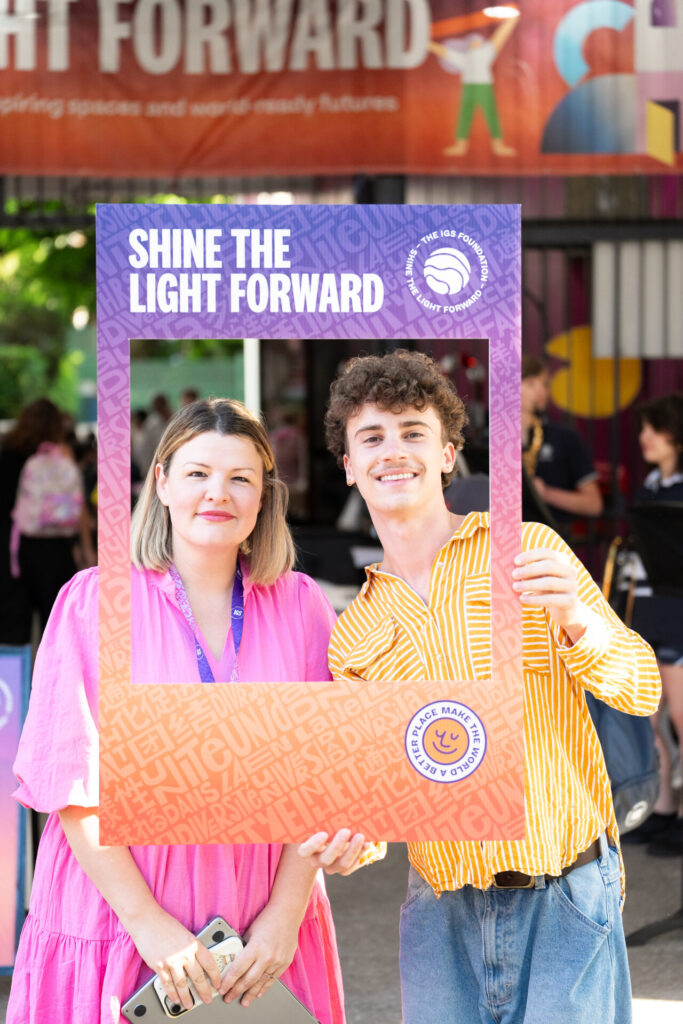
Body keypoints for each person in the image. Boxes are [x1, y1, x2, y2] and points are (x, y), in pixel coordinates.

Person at [300, 351, 660, 1024]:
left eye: (413, 432)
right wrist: (350, 839)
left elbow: (641, 690)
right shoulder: (354, 634)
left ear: (447, 453)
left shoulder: (528, 555)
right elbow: (379, 798)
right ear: (347, 464)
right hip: (439, 916)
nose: (392, 451)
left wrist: (579, 622)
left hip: (566, 899)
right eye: (370, 437)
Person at [8, 399, 344, 1024]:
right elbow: (70, 787)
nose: (218, 492)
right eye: (197, 473)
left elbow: (319, 781)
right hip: (117, 913)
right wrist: (149, 926)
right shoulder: (93, 603)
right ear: (160, 480)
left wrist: (284, 916)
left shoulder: (301, 605)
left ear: (264, 495)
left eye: (240, 478)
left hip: (261, 923)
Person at [621, 393, 683, 857]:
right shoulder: (650, 486)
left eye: (652, 429)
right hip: (649, 607)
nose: (643, 438)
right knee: (652, 717)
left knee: (681, 716)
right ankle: (662, 810)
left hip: (677, 609)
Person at [0, 397, 95, 643]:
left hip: (12, 550)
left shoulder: (6, 452)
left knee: (11, 630)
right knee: (55, 625)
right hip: (55, 549)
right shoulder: (60, 455)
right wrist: (86, 550)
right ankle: (51, 680)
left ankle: (9, 679)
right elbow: (77, 507)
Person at [522, 354, 603, 528]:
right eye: (530, 384)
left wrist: (546, 494)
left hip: (552, 539)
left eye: (544, 384)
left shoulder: (564, 436)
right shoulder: (491, 439)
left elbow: (594, 504)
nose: (541, 391)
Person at [429, 12, 518, 158]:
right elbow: (443, 51)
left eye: (478, 41)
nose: (475, 43)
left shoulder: (486, 52)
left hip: (484, 87)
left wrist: (511, 21)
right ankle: (460, 146)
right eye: (472, 41)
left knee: (491, 116)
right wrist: (426, 43)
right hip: (469, 87)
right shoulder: (463, 57)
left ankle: (498, 146)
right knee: (465, 116)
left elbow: (500, 36)